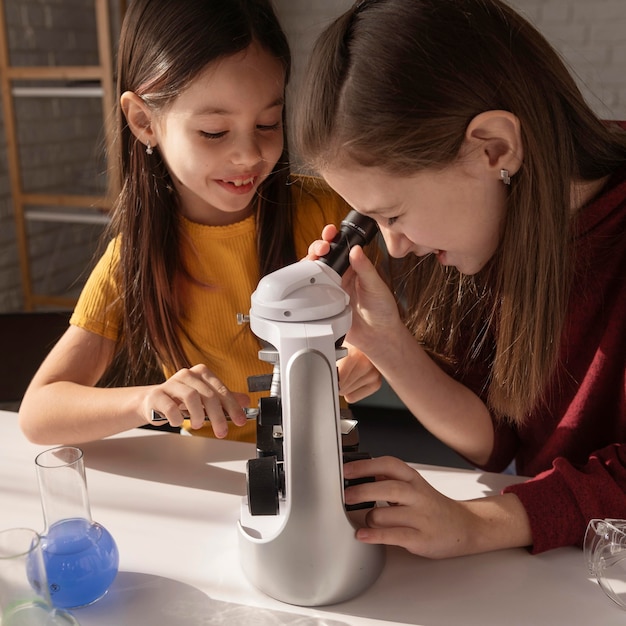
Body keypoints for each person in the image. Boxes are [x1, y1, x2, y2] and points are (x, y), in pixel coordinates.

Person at [299, 0, 626, 558]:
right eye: (371, 222)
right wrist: (385, 342)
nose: (395, 248)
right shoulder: (490, 233)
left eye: (393, 214)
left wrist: (483, 524)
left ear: (493, 148)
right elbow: (498, 442)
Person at [18, 0, 380, 446]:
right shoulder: (136, 256)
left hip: (325, 461)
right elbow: (39, 411)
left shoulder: (331, 214)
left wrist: (373, 355)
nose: (249, 155)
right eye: (214, 131)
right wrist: (148, 399)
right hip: (205, 479)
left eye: (268, 122)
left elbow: (410, 325)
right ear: (143, 121)